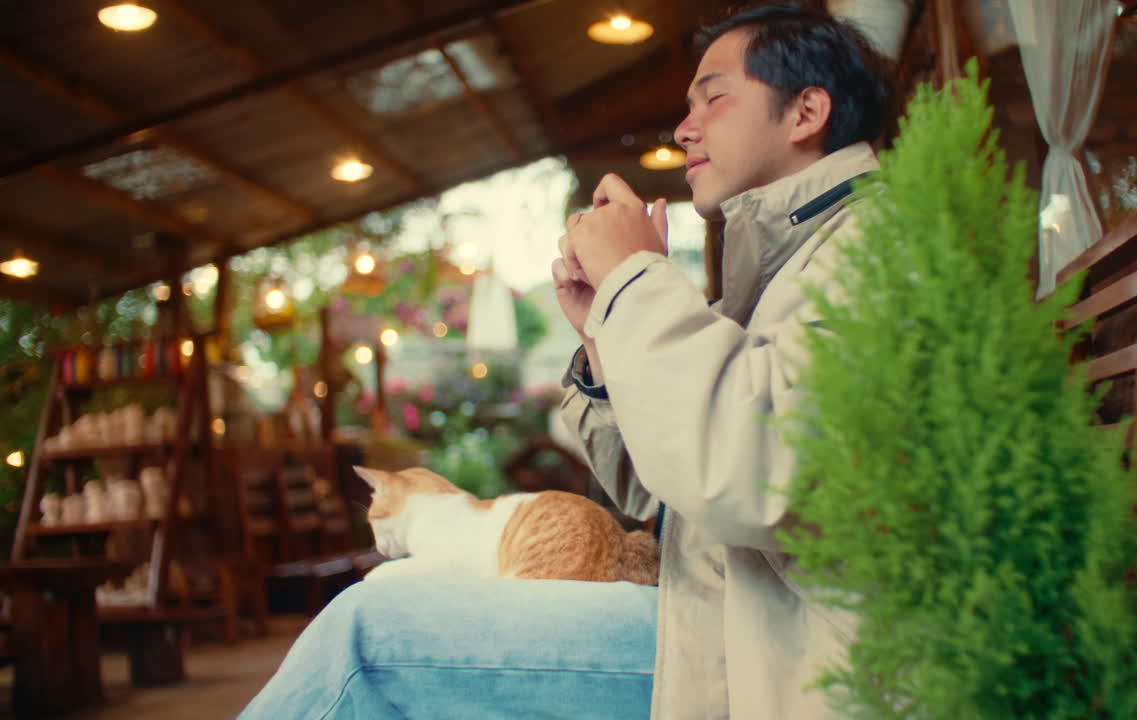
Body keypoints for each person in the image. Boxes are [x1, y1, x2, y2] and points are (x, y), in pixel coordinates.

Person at [239, 4, 891, 719]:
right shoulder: (778, 264)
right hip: (717, 622)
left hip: (784, 655)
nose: (684, 127)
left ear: (806, 111)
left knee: (366, 641)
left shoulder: (875, 248)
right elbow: (660, 494)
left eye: (714, 95)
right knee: (379, 612)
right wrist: (603, 341)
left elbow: (755, 470)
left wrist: (637, 283)